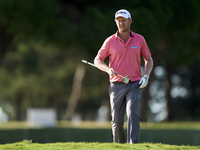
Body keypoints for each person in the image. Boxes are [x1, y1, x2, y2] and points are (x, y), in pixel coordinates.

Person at [94, 9, 153, 144]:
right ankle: (119, 146)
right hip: (116, 85)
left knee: (132, 113)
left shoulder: (139, 39)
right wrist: (108, 70)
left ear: (130, 21)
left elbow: (149, 59)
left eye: (123, 20)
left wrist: (146, 76)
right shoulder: (109, 41)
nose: (121, 23)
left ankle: (134, 146)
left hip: (135, 84)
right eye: (118, 21)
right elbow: (97, 60)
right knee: (117, 120)